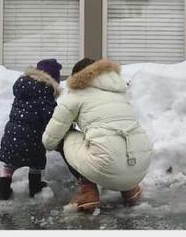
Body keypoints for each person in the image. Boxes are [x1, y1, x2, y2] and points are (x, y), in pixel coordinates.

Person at [42, 58, 152, 212]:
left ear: (77, 77)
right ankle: (130, 189)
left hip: (107, 166)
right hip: (140, 166)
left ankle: (88, 192)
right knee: (115, 136)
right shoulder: (118, 93)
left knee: (64, 135)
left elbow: (50, 140)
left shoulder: (77, 95)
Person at [0, 58, 62, 200]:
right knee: (36, 164)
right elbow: (50, 117)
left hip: (12, 136)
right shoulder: (45, 91)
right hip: (33, 139)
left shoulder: (23, 87)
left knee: (8, 166)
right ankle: (35, 188)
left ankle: (3, 192)